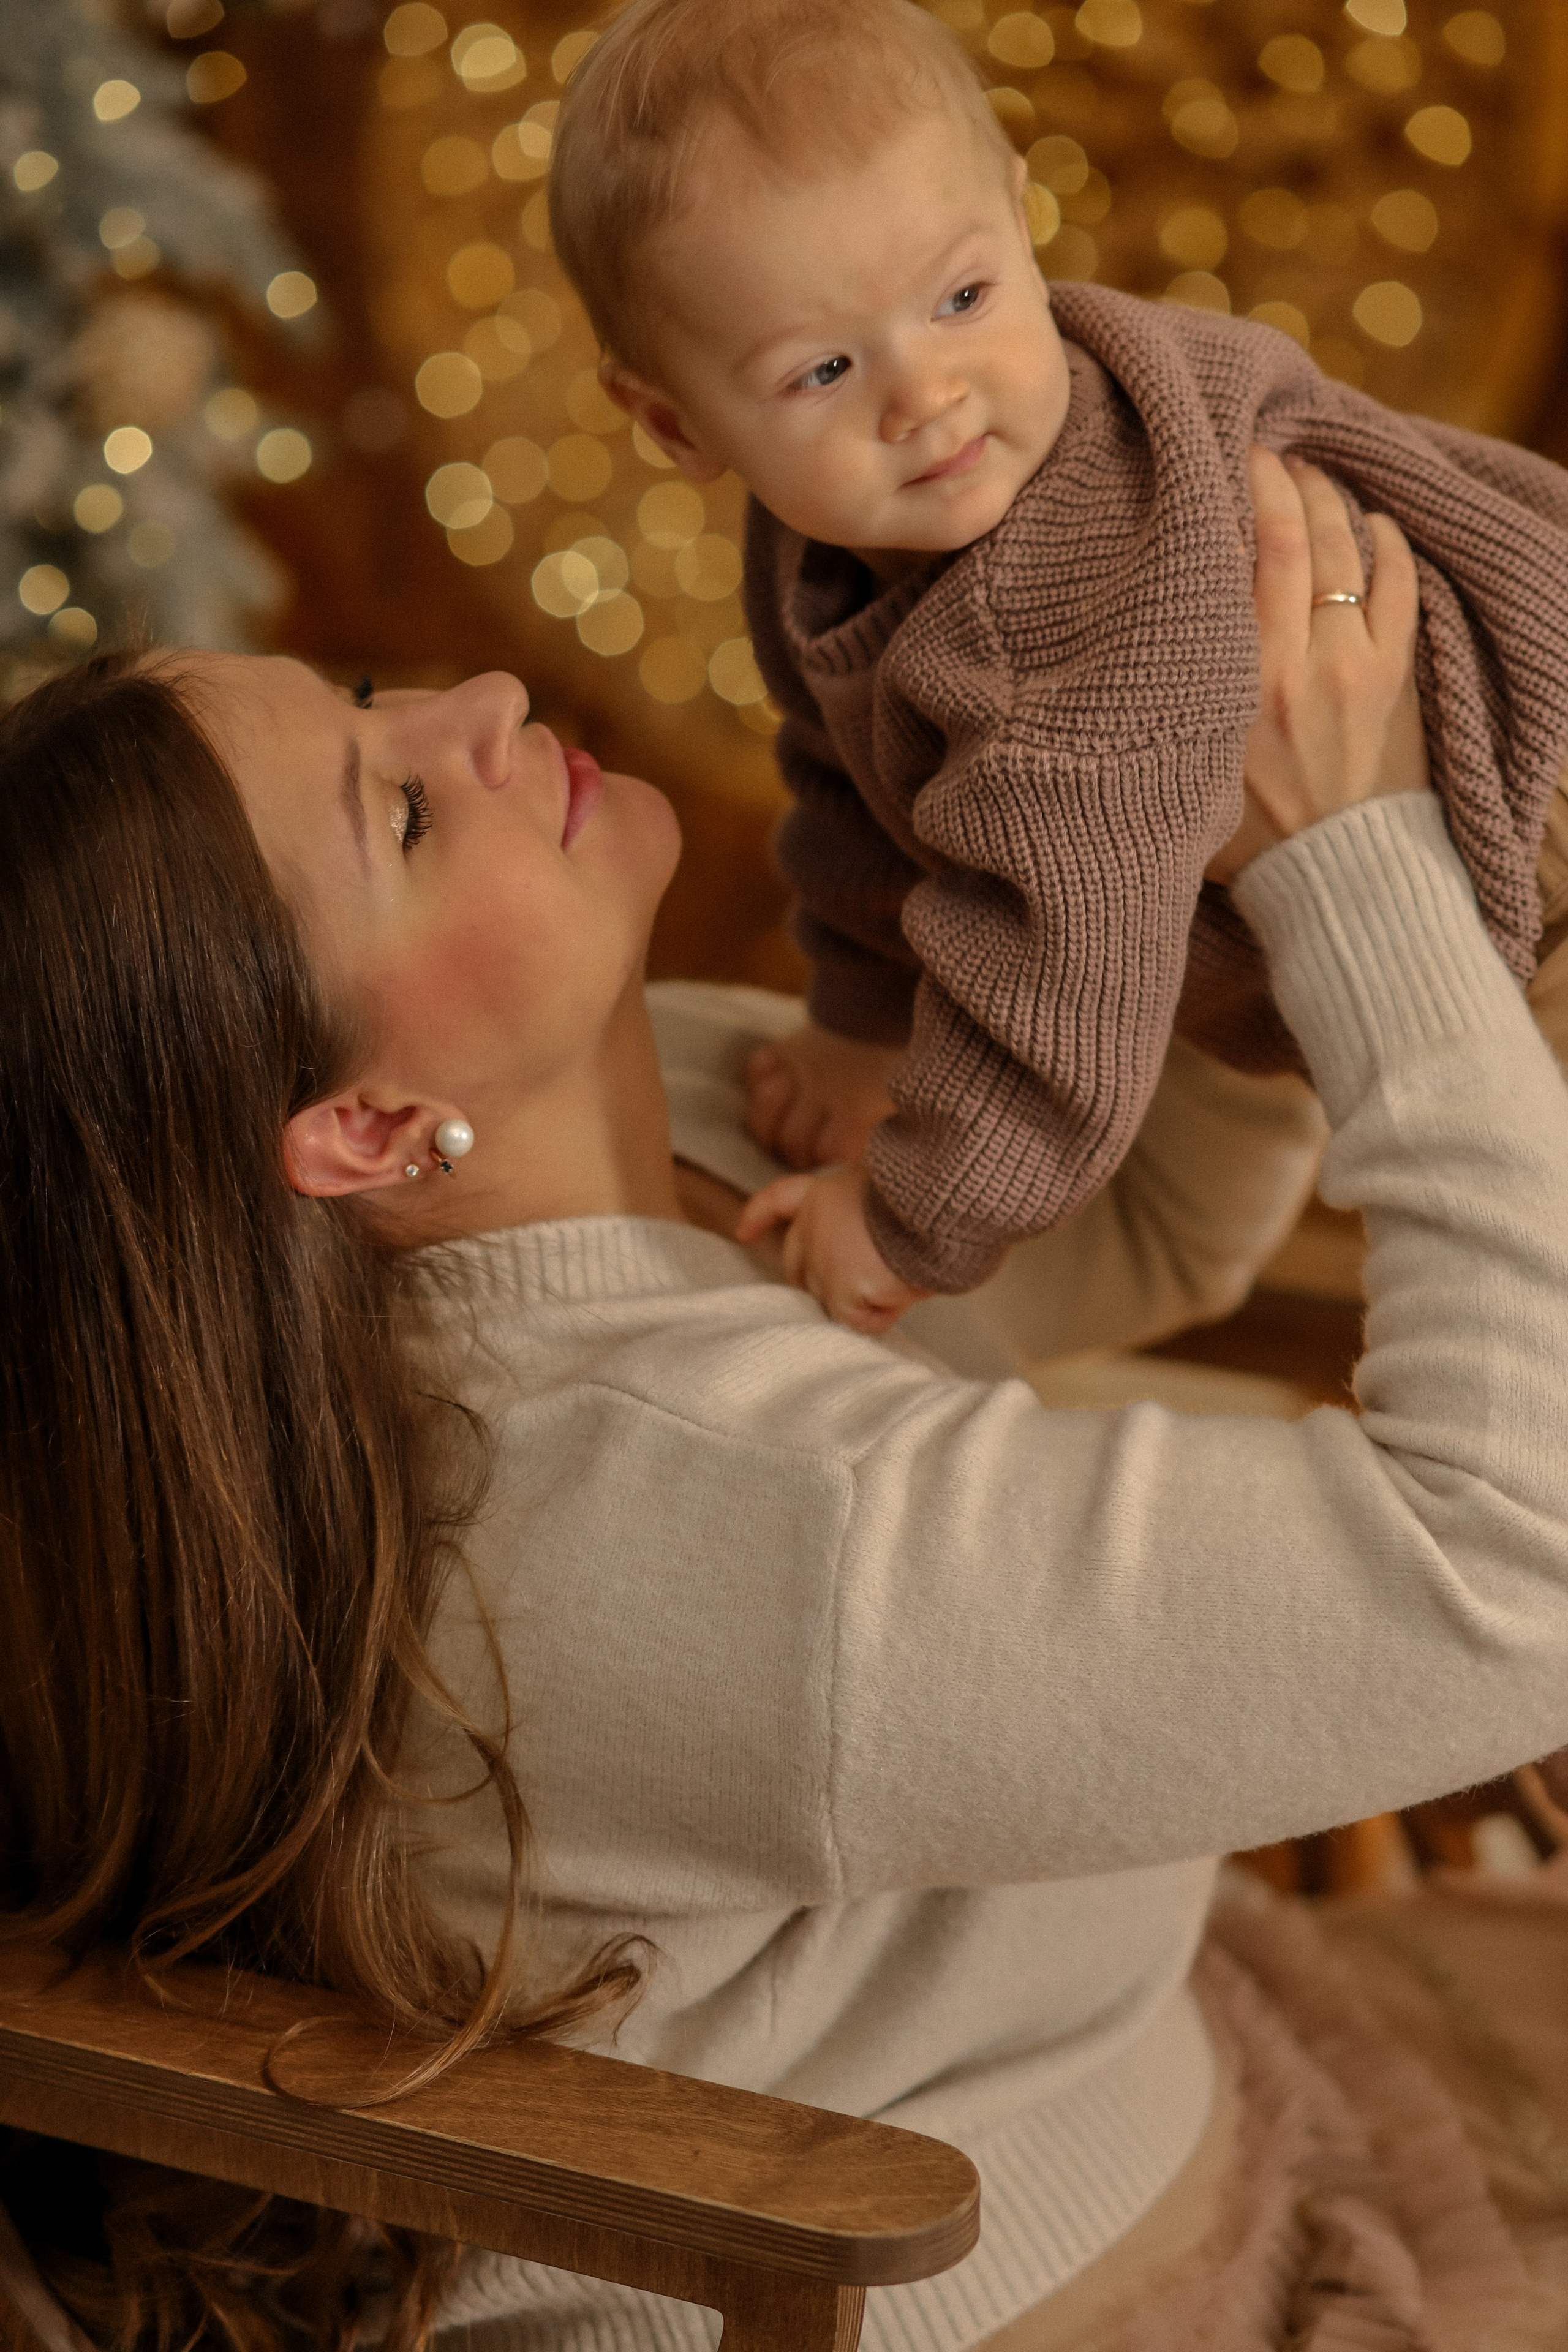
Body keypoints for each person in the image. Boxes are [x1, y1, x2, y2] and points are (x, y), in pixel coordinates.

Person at [4, 455, 1568, 2352]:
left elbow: (1131, 1224)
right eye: (404, 813)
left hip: (1178, 2050)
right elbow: (1521, 1570)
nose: (479, 706)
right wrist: (1356, 864)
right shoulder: (694, 1525)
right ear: (365, 1128)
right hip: (1060, 2292)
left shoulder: (661, 1102)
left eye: (358, 697)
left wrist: (1201, 861)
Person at [547, 0, 1568, 1334]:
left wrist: (912, 1220)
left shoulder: (1064, 597)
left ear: (1024, 223)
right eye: (822, 371)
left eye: (961, 299)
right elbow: (848, 782)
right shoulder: (826, 547)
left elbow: (1061, 977)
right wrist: (857, 1025)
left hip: (1538, 863)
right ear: (675, 423)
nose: (925, 397)